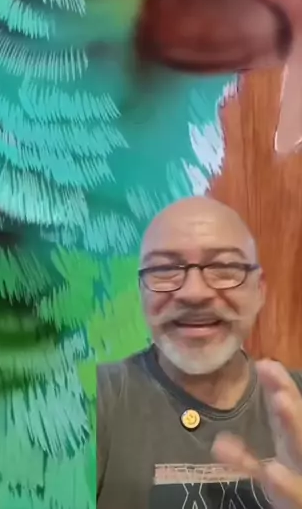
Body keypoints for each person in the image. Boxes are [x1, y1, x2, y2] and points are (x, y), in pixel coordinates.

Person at [96, 196, 302, 509]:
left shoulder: (294, 404)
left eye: (224, 268)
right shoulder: (89, 402)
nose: (194, 293)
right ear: (141, 291)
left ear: (259, 291)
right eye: (164, 269)